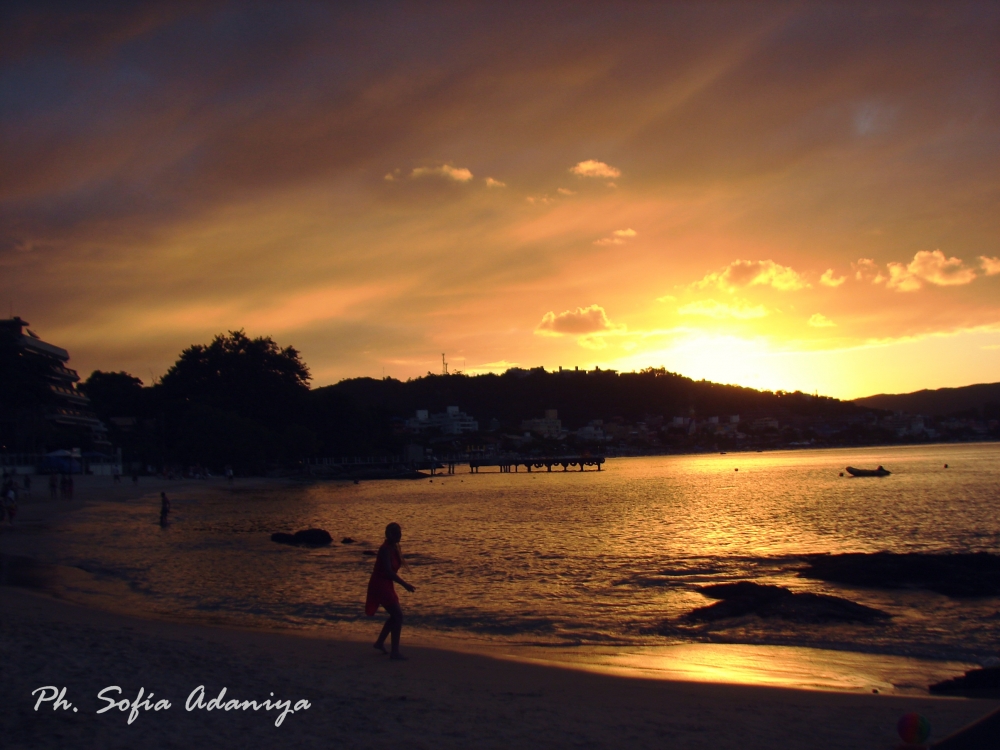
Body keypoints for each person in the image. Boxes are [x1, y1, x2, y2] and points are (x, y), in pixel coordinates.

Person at [365, 522, 415, 660]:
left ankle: (380, 643)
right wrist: (404, 584)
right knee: (398, 615)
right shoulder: (385, 549)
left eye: (400, 532)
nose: (400, 535)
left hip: (386, 584)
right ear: (390, 534)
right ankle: (394, 652)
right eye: (397, 533)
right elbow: (388, 571)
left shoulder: (394, 548)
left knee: (395, 615)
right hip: (380, 584)